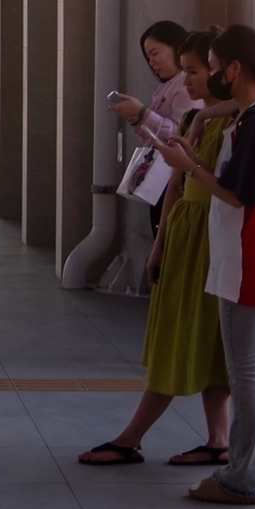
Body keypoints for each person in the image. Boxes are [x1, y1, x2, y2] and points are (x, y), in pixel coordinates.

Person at [157, 23, 255, 504]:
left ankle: (243, 478)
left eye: (215, 69)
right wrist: (199, 131)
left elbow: (238, 194)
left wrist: (190, 166)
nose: (211, 79)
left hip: (244, 259)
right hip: (250, 257)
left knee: (247, 371)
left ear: (235, 69)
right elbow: (229, 112)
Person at [79, 28, 232, 467]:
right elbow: (175, 189)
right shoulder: (195, 120)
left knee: (198, 338)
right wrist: (160, 242)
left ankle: (132, 438)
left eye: (195, 71)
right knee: (186, 332)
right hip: (187, 232)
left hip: (214, 236)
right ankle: (217, 438)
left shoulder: (237, 122)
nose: (185, 81)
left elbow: (222, 186)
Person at [109, 20, 196, 232]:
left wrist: (143, 114)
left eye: (155, 53)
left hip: (180, 181)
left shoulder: (185, 85)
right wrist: (137, 119)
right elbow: (157, 139)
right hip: (166, 180)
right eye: (148, 57)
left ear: (176, 47)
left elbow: (182, 135)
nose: (152, 62)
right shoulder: (167, 85)